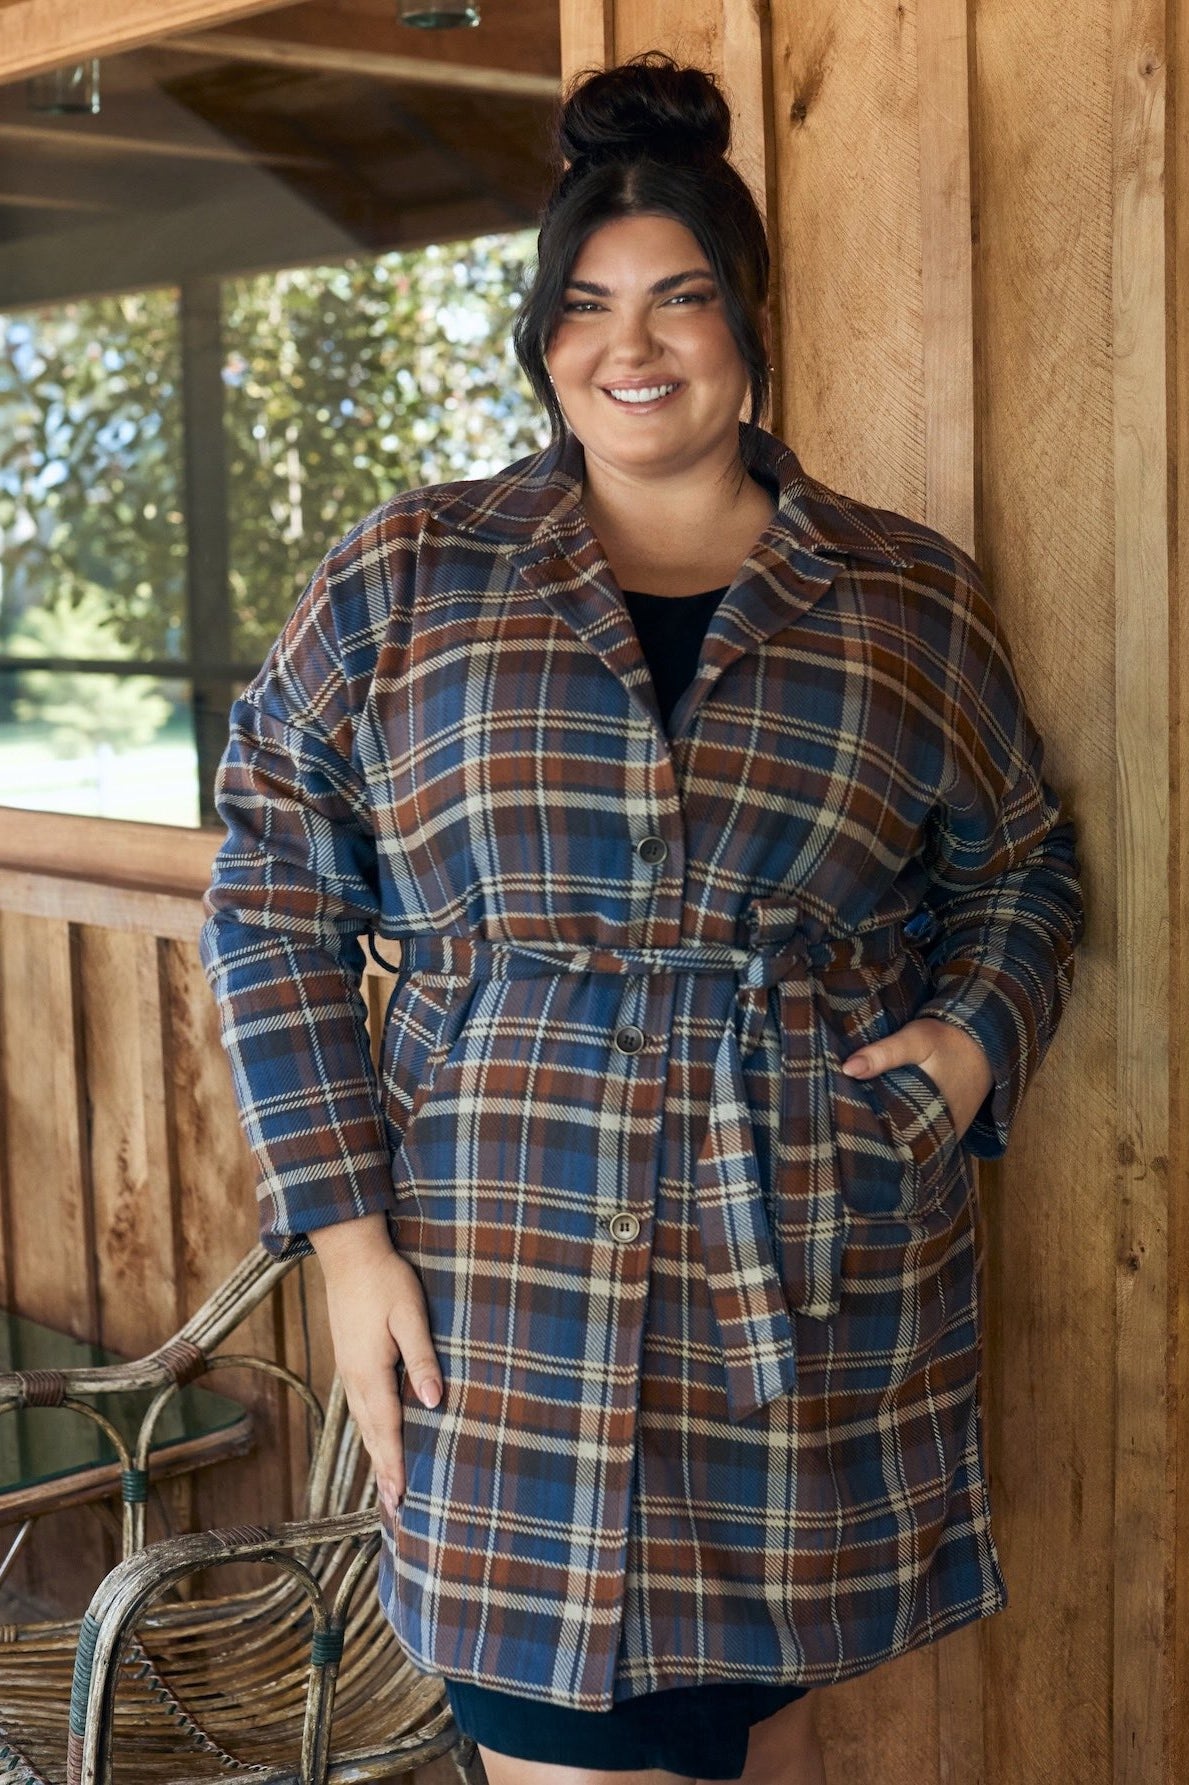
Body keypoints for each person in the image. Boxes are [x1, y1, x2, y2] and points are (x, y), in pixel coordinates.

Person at [199, 52, 1083, 1785]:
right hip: (497, 1272)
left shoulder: (900, 598)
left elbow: (1020, 866)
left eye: (681, 295)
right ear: (542, 339)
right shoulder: (412, 574)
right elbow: (268, 873)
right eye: (590, 304)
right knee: (547, 1738)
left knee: (689, 1747)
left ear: (747, 317)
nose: (636, 344)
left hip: (794, 1279)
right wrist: (346, 1234)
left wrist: (970, 1048)